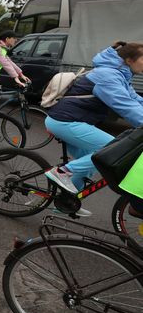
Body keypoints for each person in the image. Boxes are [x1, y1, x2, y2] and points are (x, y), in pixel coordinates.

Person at [44, 42, 143, 217]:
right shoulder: (108, 76)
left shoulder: (119, 74)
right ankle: (61, 172)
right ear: (129, 60)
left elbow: (135, 100)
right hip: (65, 122)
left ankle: (66, 203)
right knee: (110, 150)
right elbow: (126, 106)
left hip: (72, 121)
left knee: (88, 166)